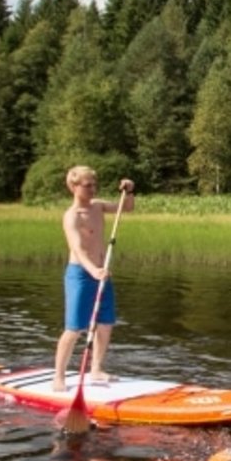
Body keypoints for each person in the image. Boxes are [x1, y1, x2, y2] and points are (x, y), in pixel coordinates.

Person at [53, 166, 135, 391]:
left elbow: (126, 208)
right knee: (74, 328)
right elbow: (77, 249)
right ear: (73, 187)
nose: (92, 189)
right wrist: (92, 270)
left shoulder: (98, 206)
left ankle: (96, 369)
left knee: (106, 323)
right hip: (80, 274)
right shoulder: (72, 216)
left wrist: (129, 190)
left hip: (102, 272)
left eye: (94, 185)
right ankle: (58, 377)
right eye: (87, 186)